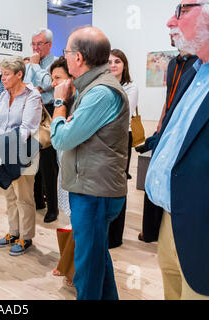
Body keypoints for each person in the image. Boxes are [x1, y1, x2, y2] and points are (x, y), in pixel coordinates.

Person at [51, 26, 129, 300]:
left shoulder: (100, 94)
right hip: (91, 188)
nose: (66, 57)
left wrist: (60, 103)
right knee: (98, 261)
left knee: (87, 271)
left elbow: (62, 138)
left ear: (79, 58)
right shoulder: (91, 88)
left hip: (94, 193)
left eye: (67, 52)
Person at [145, 0, 209, 300]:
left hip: (202, 220)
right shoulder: (192, 70)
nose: (171, 22)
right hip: (173, 213)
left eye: (182, 11)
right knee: (172, 284)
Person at [138, 35, 198, 243]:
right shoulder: (173, 63)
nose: (172, 32)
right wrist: (161, 124)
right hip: (166, 128)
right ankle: (150, 231)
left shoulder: (198, 64)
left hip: (183, 131)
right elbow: (169, 98)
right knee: (153, 175)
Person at [0, 56, 42, 256]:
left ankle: (26, 237)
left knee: (24, 197)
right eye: (2, 74)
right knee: (9, 194)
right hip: (3, 151)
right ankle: (13, 232)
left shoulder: (32, 97)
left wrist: (2, 142)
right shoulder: (3, 95)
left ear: (19, 74)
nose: (3, 78)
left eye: (7, 74)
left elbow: (27, 128)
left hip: (23, 151)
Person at [24, 28, 59, 223]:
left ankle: (52, 208)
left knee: (48, 163)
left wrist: (36, 68)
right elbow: (27, 86)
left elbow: (50, 85)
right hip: (33, 112)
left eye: (39, 44)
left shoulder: (55, 63)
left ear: (49, 45)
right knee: (33, 161)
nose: (36, 48)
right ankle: (38, 201)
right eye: (34, 44)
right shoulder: (29, 65)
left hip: (50, 112)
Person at [107, 48, 139, 249]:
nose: (113, 65)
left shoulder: (131, 87)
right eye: (109, 61)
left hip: (121, 138)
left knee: (118, 185)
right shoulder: (103, 85)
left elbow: (122, 116)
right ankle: (105, 230)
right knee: (105, 185)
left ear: (124, 65)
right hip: (104, 140)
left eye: (117, 61)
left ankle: (115, 236)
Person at [48, 57, 75, 287]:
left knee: (76, 222)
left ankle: (71, 269)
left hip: (77, 173)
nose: (53, 82)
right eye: (52, 78)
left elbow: (62, 139)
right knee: (67, 219)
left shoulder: (75, 103)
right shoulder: (62, 102)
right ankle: (67, 265)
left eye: (58, 78)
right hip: (64, 169)